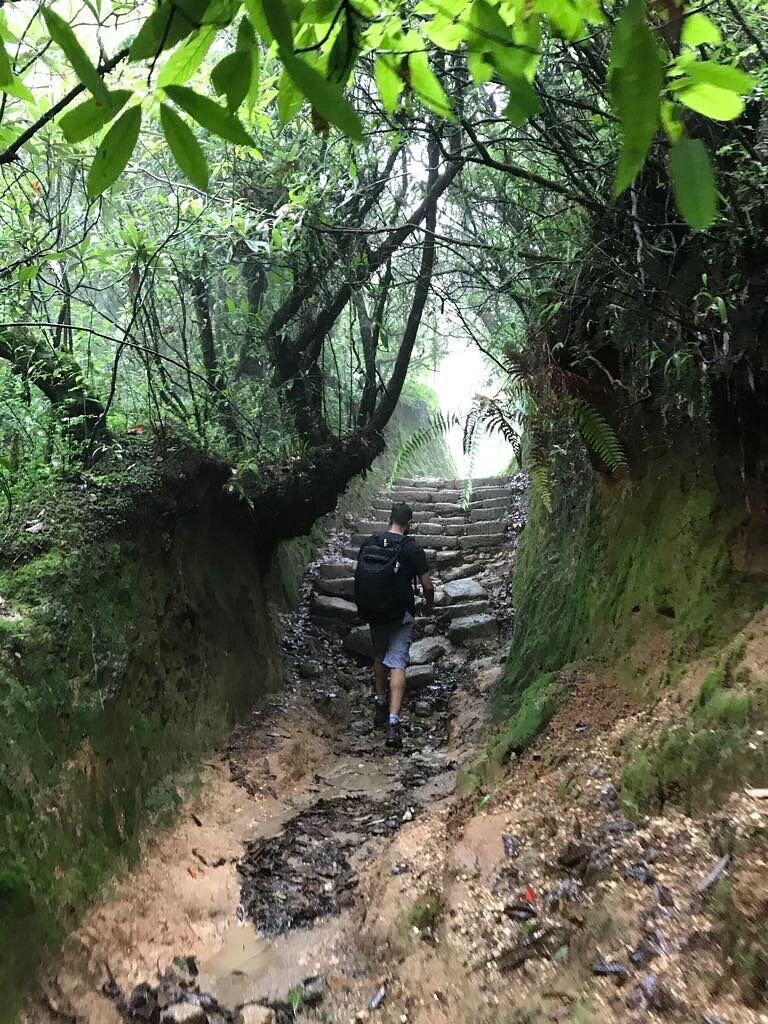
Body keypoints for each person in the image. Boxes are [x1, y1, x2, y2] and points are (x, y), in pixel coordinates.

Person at [354, 501, 435, 750]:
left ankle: (379, 702)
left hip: (375, 612)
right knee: (397, 661)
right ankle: (393, 722)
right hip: (400, 614)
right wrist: (428, 605)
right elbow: (427, 586)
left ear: (389, 519)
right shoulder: (411, 548)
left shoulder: (370, 542)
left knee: (379, 655)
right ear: (408, 524)